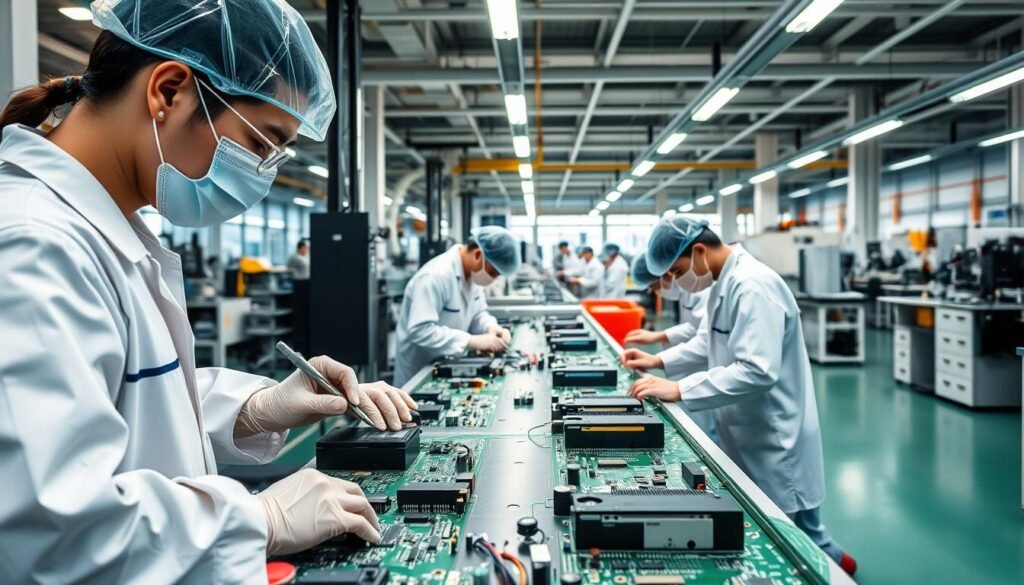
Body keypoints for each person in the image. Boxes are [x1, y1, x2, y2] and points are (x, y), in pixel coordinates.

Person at [0, 1, 420, 582]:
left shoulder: (111, 232)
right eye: (262, 142)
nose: (264, 171)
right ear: (168, 92)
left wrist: (259, 408)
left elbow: (129, 397)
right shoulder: (31, 245)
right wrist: (259, 517)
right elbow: (55, 531)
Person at [619, 217, 857, 576]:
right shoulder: (723, 282)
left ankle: (836, 569)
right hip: (753, 428)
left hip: (776, 436)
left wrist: (681, 388)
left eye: (678, 270)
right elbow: (710, 338)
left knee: (789, 535)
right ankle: (841, 565)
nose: (679, 280)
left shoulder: (752, 286)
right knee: (802, 527)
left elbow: (758, 370)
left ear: (699, 251)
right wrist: (659, 360)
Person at [393, 226, 520, 386]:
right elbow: (419, 330)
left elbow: (478, 313)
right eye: (493, 272)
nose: (493, 279)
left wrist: (490, 327)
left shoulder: (472, 276)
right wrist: (470, 341)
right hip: (418, 373)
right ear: (478, 255)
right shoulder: (435, 276)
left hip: (447, 366)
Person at [624, 255, 718, 443]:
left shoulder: (705, 287)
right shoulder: (691, 287)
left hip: (721, 383)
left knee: (708, 431)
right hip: (709, 380)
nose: (657, 293)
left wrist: (659, 362)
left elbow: (706, 339)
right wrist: (657, 338)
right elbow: (695, 326)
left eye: (655, 287)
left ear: (666, 275)